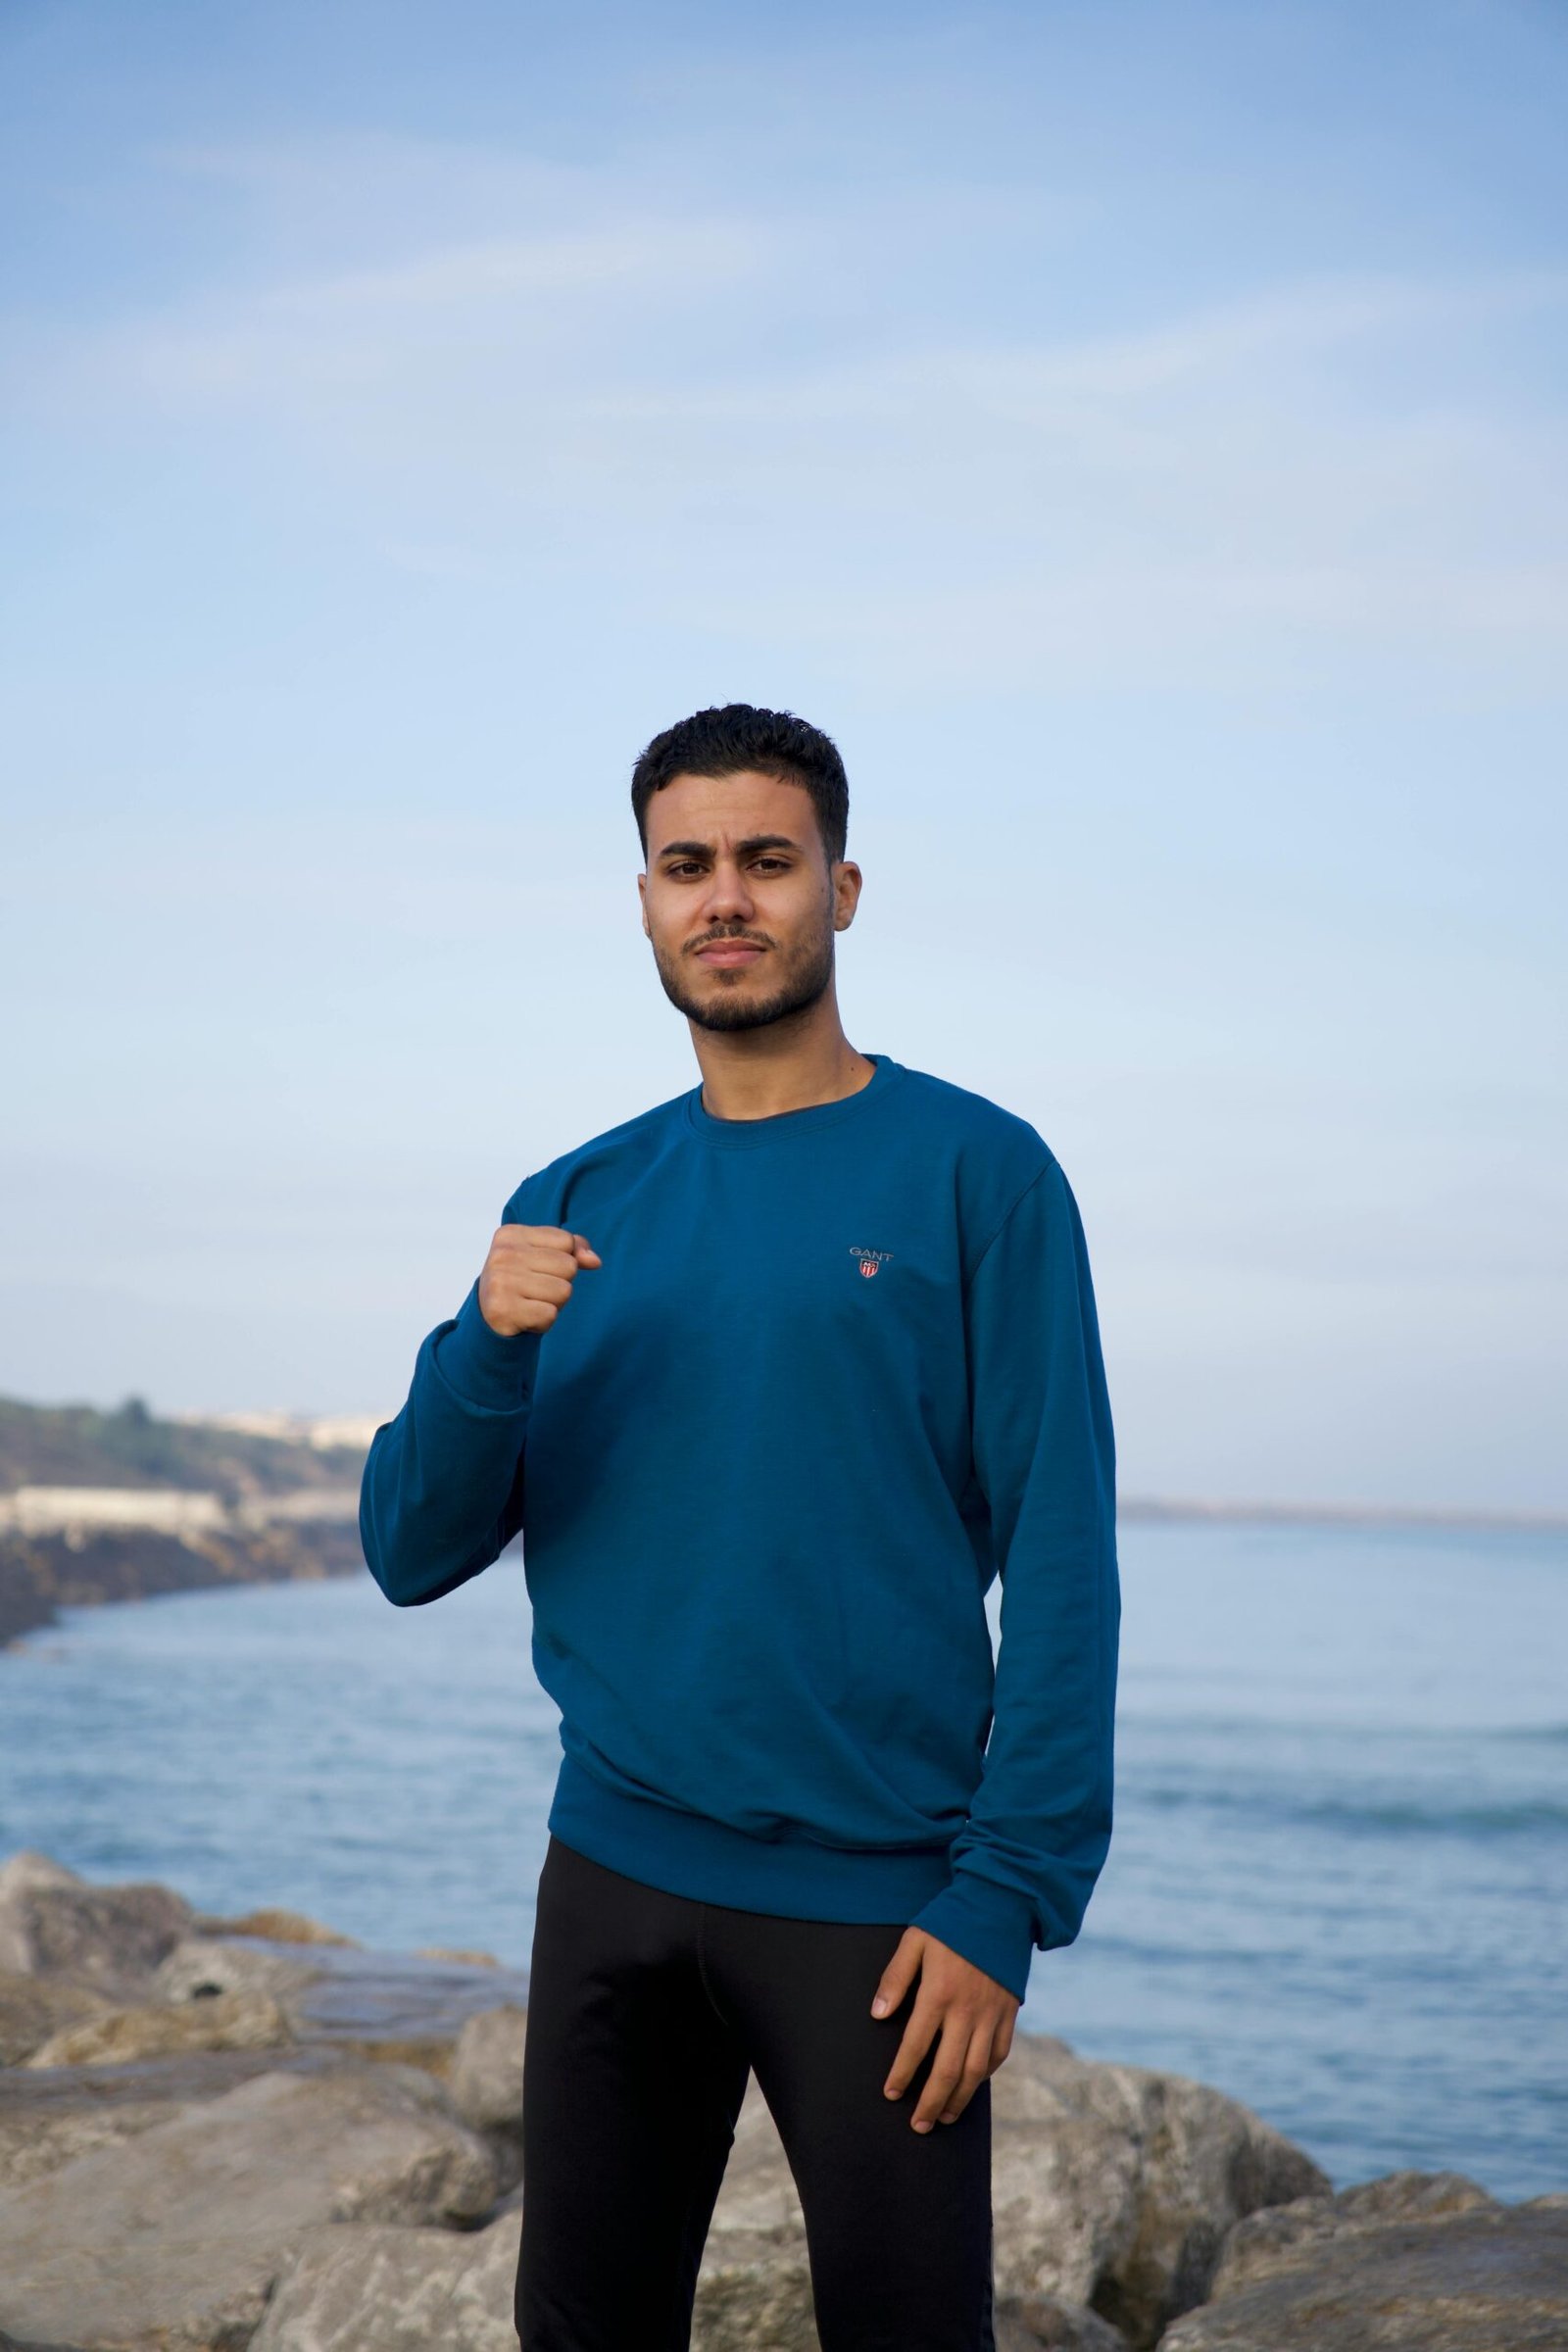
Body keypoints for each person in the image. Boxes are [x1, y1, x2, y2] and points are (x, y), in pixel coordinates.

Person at [360, 703, 1120, 2352]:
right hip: (611, 1873)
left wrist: (1007, 1896)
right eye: (685, 865)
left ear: (840, 891)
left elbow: (1065, 1551)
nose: (726, 899)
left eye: (765, 862)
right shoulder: (575, 1200)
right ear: (642, 898)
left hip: (881, 1914)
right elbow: (410, 1548)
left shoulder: (980, 1175)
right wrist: (484, 1347)